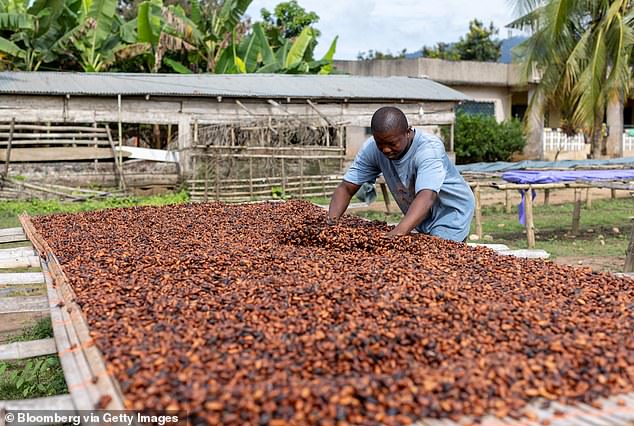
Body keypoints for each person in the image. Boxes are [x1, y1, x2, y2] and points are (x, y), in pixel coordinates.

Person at [328, 106, 475, 242]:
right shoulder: (372, 148)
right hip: (422, 215)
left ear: (408, 132)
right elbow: (346, 188)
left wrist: (395, 234)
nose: (385, 150)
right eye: (380, 143)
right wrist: (331, 225)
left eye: (392, 144)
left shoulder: (428, 150)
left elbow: (426, 196)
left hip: (450, 212)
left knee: (439, 258)